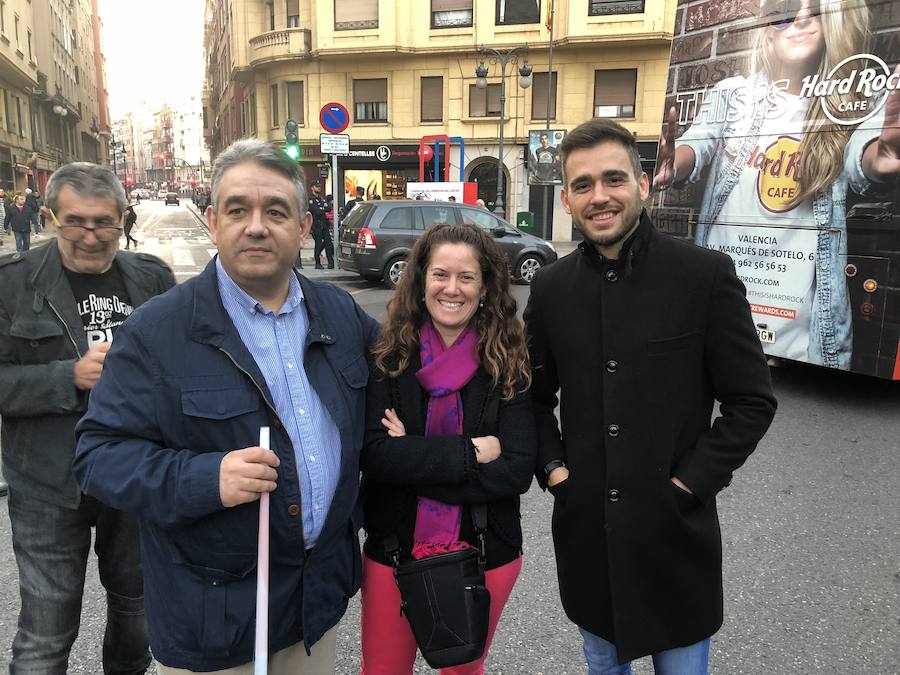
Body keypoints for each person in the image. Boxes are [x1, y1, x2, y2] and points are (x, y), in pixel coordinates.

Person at [74, 139, 380, 673]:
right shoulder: (156, 332)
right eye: (239, 210)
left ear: (304, 228)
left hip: (315, 609)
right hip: (214, 621)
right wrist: (206, 478)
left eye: (276, 211)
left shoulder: (341, 313)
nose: (257, 226)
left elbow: (412, 372)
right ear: (212, 221)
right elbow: (98, 457)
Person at [524, 118, 777, 674]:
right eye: (583, 185)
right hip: (590, 537)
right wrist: (556, 472)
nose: (600, 197)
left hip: (675, 538)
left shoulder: (703, 276)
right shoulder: (551, 288)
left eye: (613, 179)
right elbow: (532, 399)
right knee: (601, 663)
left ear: (642, 183)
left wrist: (689, 484)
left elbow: (752, 402)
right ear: (565, 198)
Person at [653, 0, 896, 370]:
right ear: (766, 29)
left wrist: (879, 158)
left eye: (813, 9)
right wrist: (672, 164)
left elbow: (864, 158)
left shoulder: (857, 100)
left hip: (807, 342)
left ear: (835, 18)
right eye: (784, 12)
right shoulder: (733, 93)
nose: (799, 19)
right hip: (719, 321)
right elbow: (696, 144)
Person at [0, 162, 175, 674]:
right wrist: (69, 377)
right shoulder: (13, 285)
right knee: (46, 631)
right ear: (52, 217)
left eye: (104, 221)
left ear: (123, 217)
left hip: (134, 477)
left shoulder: (153, 279)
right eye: (76, 221)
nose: (92, 235)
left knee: (137, 614)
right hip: (48, 483)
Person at [360, 222, 536, 674]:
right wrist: (471, 454)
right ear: (420, 282)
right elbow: (375, 456)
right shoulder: (388, 356)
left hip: (485, 549)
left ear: (485, 287)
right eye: (440, 274)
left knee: (463, 670)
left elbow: (516, 470)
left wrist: (414, 456)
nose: (451, 289)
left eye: (466, 277)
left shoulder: (509, 359)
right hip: (394, 549)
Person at [308, 179, 334, 269]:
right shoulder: (310, 199)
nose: (319, 188)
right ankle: (317, 263)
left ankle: (330, 262)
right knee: (318, 244)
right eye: (317, 186)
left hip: (324, 224)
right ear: (312, 188)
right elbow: (316, 211)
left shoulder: (322, 198)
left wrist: (322, 208)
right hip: (316, 225)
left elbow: (329, 208)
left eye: (319, 186)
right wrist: (323, 208)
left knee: (328, 243)